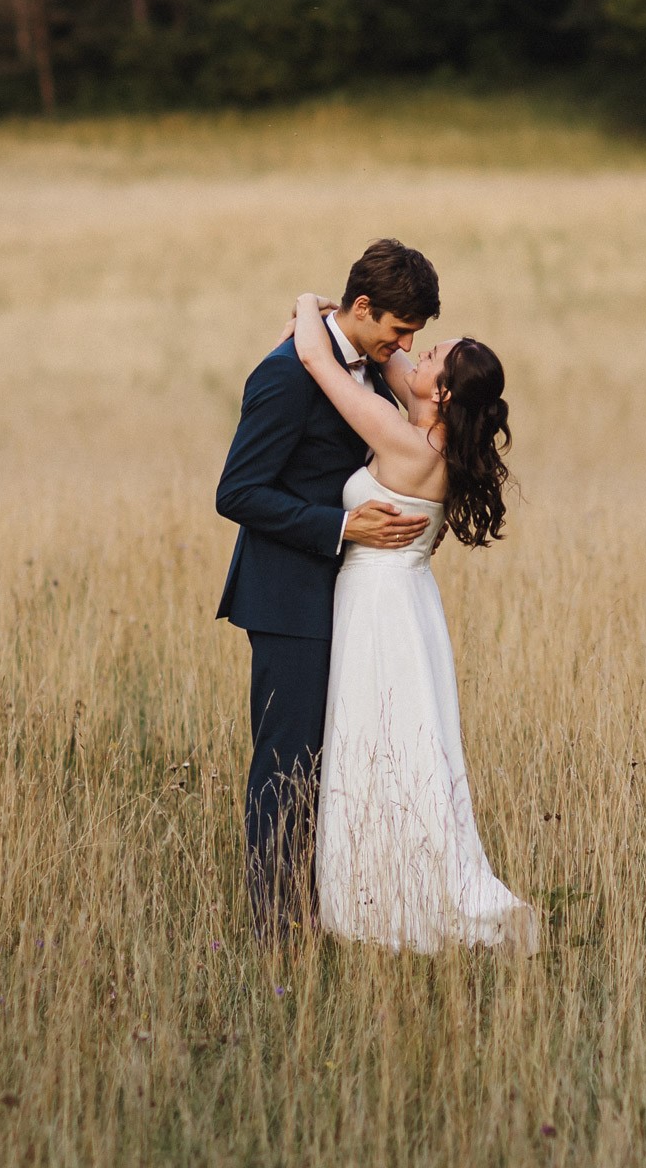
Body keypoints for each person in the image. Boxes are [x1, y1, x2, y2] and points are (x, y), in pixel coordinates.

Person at [280, 289, 538, 954]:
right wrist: (367, 321)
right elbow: (391, 359)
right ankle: (384, 886)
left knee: (381, 746)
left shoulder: (406, 439)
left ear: (445, 395)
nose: (416, 353)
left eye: (434, 357)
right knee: (405, 746)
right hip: (409, 604)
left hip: (380, 608)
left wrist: (311, 304)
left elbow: (316, 357)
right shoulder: (435, 433)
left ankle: (387, 902)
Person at [215, 240, 440, 943]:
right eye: (399, 330)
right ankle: (275, 928)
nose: (404, 346)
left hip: (344, 597)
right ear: (364, 308)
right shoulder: (285, 375)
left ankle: (330, 908)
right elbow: (238, 492)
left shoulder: (362, 362)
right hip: (286, 598)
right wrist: (341, 526)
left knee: (327, 762)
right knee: (285, 764)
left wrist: (309, 303)